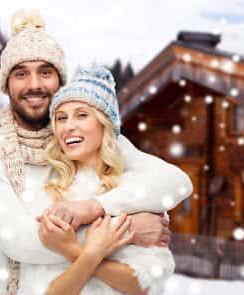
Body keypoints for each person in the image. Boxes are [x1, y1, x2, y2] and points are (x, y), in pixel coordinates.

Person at [0, 9, 192, 294]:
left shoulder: (82, 141)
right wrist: (130, 228)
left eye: (46, 72)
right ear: (6, 85)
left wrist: (93, 208)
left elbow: (176, 182)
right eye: (21, 74)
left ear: (59, 81)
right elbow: (22, 242)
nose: (34, 84)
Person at [32, 65, 176, 294]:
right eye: (61, 118)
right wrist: (92, 250)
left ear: (105, 123)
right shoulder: (50, 191)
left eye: (81, 115)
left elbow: (143, 285)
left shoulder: (135, 191)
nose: (68, 126)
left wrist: (72, 250)